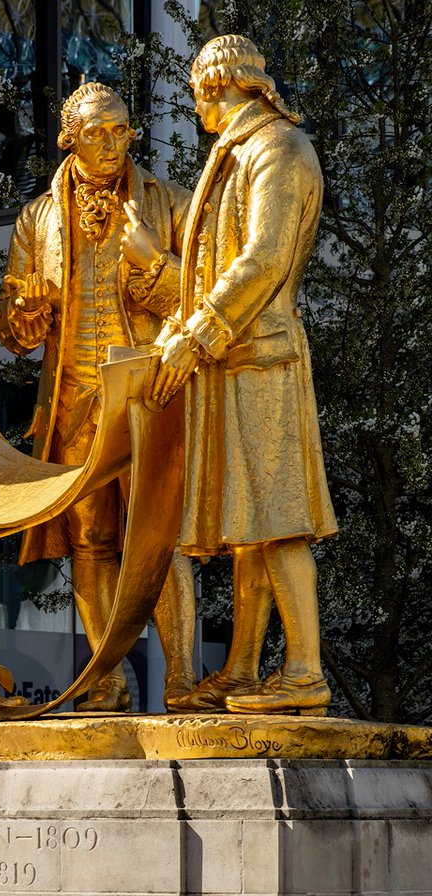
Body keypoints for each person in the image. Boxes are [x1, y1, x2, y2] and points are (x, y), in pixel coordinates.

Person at [0, 82, 197, 712]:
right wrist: (22, 313)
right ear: (68, 138)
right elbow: (12, 326)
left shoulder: (171, 203)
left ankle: (184, 681)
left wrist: (156, 263)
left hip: (148, 388)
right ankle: (105, 678)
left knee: (160, 535)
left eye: (121, 131)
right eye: (96, 132)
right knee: (90, 541)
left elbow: (202, 303)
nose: (110, 144)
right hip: (75, 395)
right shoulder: (37, 217)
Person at [155, 36, 338, 715]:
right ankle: (241, 668)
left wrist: (199, 330)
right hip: (234, 357)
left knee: (279, 516)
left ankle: (304, 673)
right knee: (249, 522)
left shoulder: (278, 150)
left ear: (215, 86)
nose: (195, 102)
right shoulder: (240, 150)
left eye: (197, 88)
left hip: (261, 355)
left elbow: (262, 260)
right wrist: (185, 329)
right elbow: (212, 266)